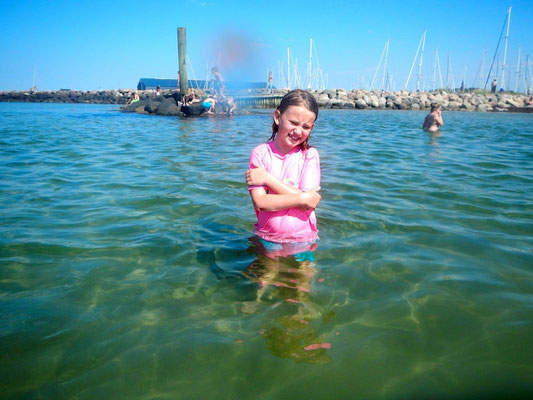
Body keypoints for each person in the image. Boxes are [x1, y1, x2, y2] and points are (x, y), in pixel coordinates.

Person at [245, 89, 321, 258]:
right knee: (263, 280)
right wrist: (302, 198)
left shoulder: (310, 155)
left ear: (312, 128)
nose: (298, 131)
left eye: (306, 127)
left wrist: (267, 178)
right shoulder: (260, 153)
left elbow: (311, 203)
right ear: (278, 117)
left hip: (303, 238)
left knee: (302, 283)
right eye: (293, 122)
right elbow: (261, 202)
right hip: (268, 237)